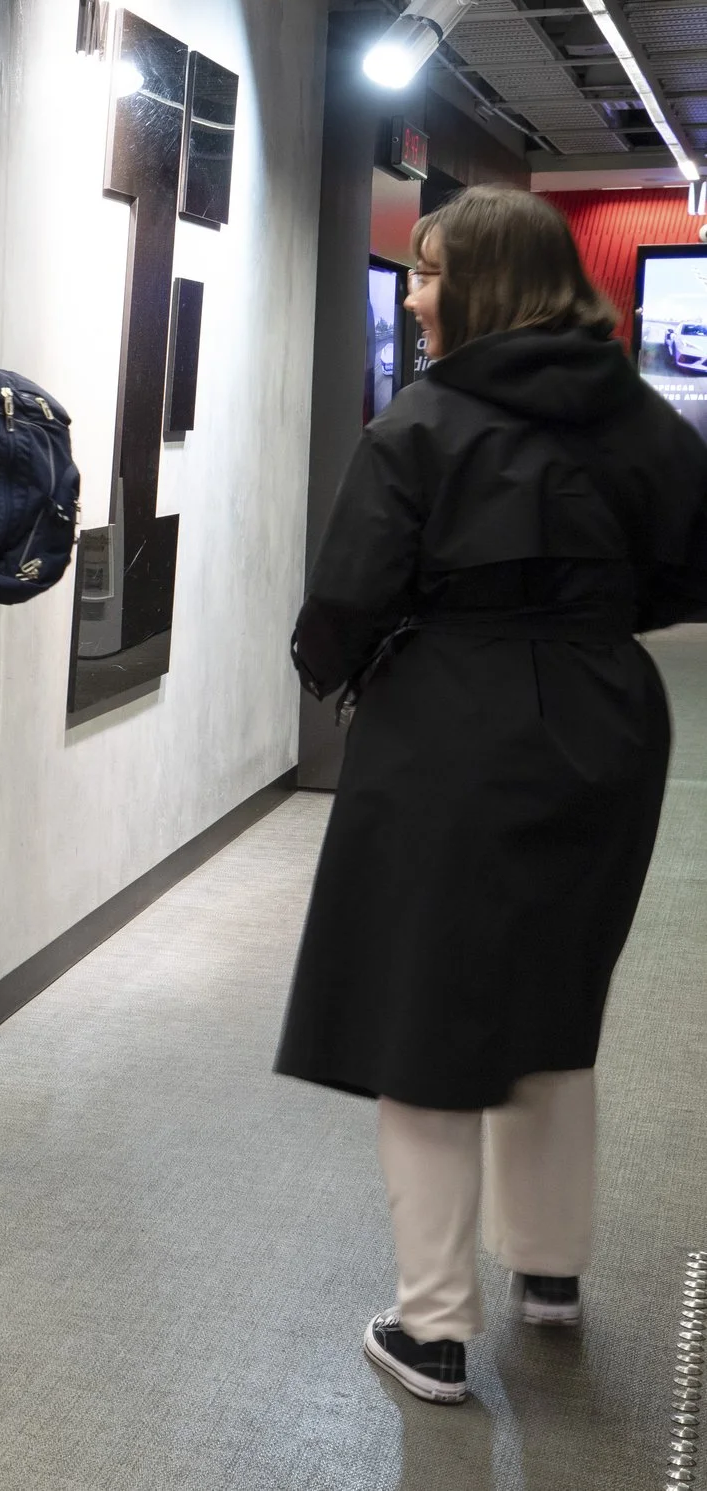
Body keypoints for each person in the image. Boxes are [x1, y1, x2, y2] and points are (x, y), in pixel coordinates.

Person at [275, 185, 707, 1405]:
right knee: (553, 999)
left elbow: (347, 597)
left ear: (477, 286)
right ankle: (551, 1273)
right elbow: (685, 572)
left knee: (426, 1015)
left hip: (449, 729)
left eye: (423, 273)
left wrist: (345, 672)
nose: (410, 296)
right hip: (607, 720)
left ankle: (434, 1327)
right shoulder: (640, 419)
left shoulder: (422, 422)